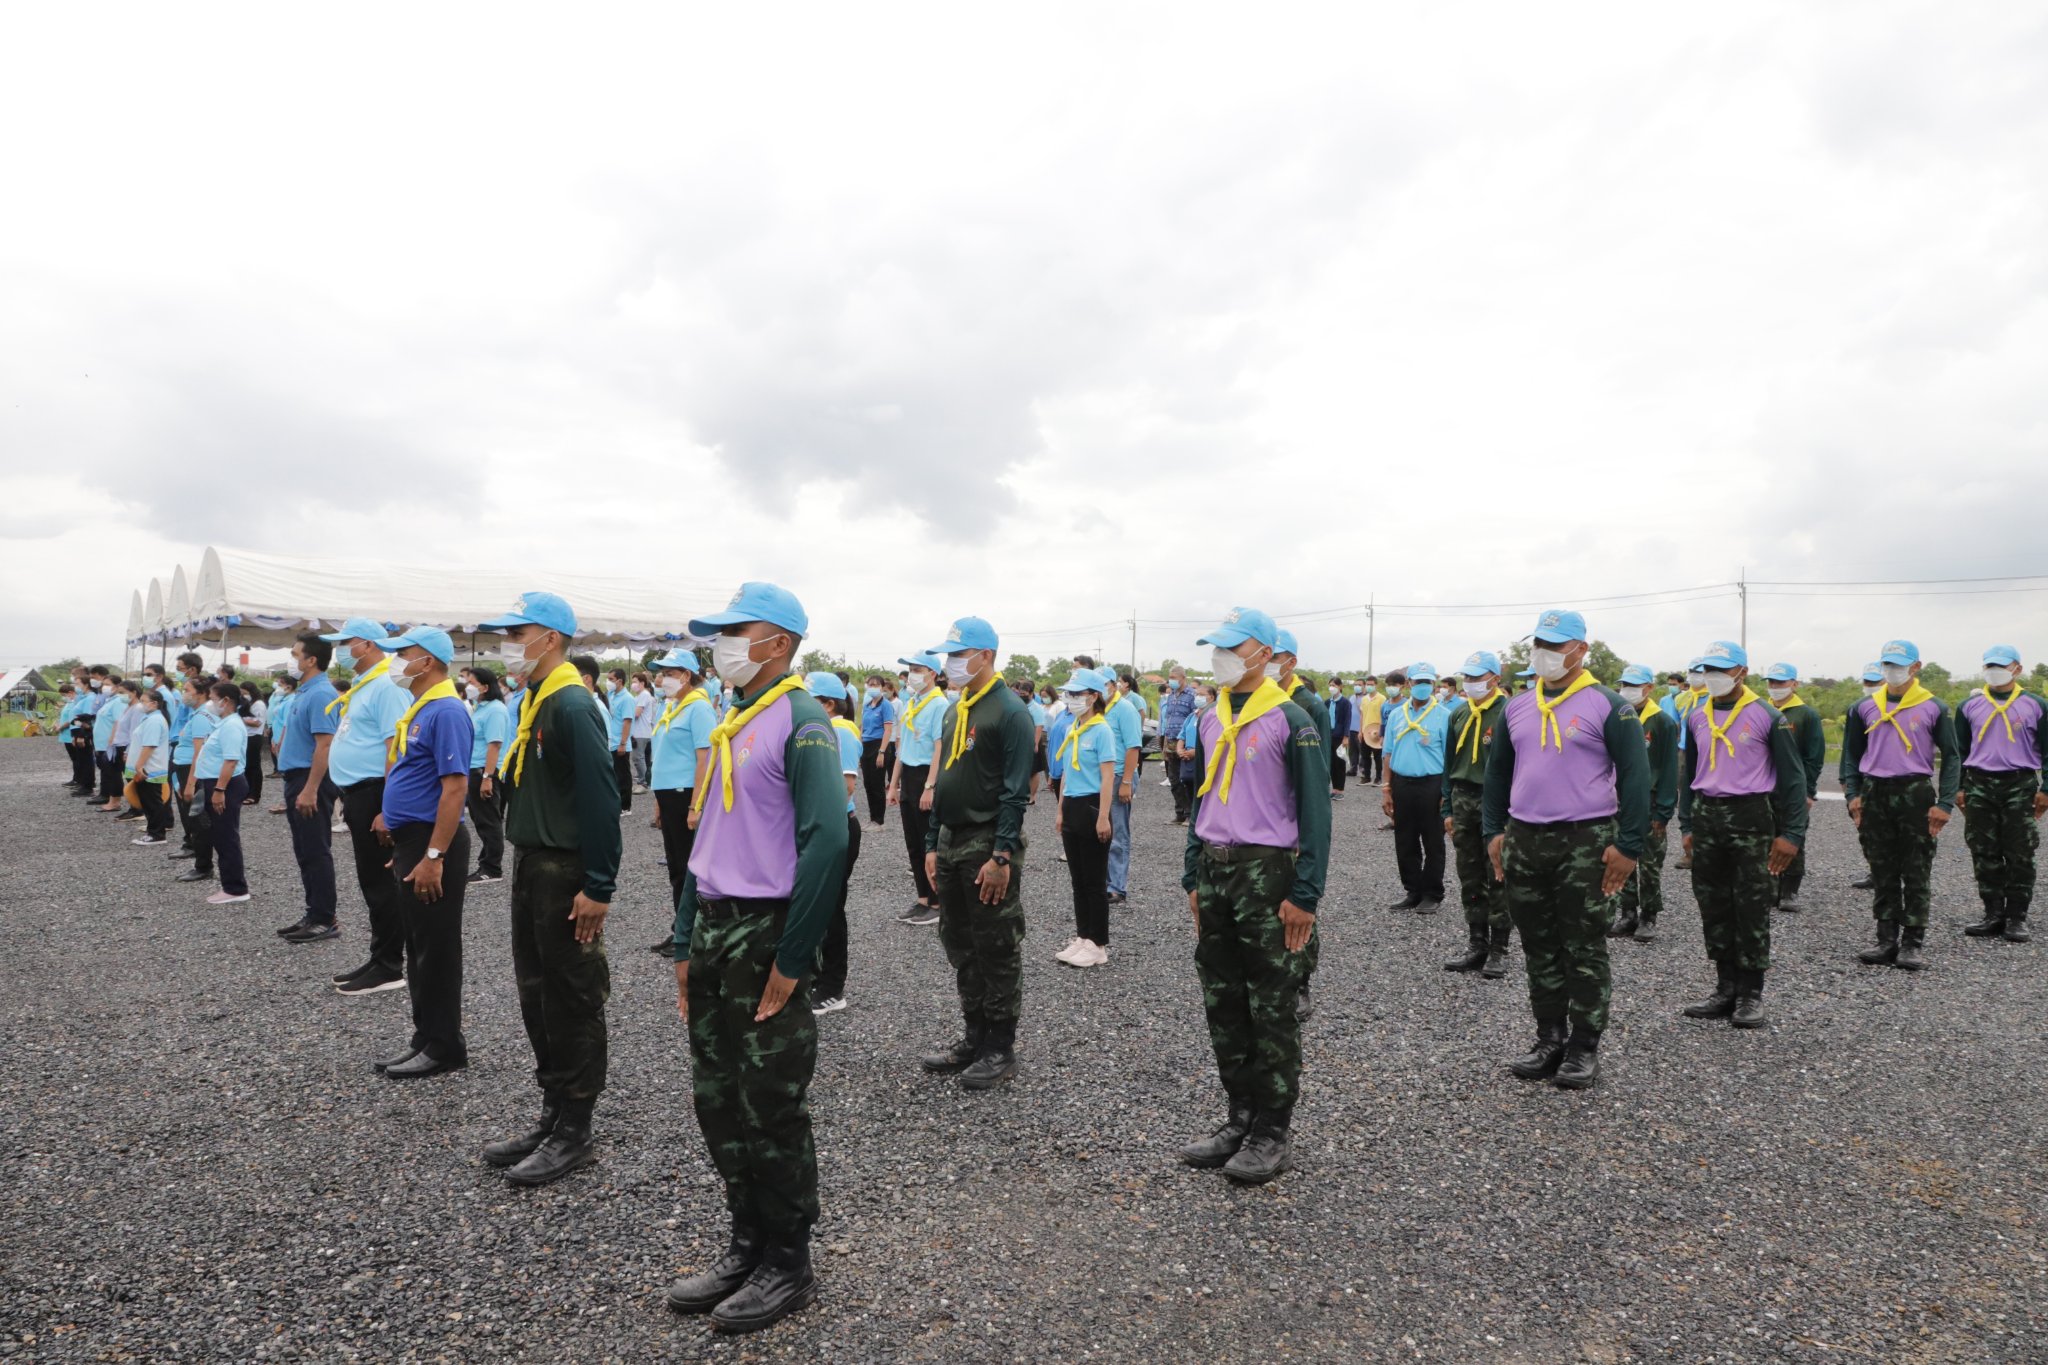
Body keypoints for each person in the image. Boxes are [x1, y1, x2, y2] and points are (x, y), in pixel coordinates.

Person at [665, 583, 845, 1333]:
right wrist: (682, 936)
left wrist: (794, 957)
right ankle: (747, 1240)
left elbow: (829, 841)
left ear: (776, 641)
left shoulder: (803, 722)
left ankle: (789, 1260)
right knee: (719, 1097)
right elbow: (707, 840)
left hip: (763, 932)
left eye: (734, 632)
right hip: (714, 927)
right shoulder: (736, 718)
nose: (721, 646)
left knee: (770, 1103)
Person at [1177, 607, 1329, 1184]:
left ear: (1263, 654)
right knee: (1223, 999)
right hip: (1217, 871)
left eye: (1230, 648)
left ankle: (1272, 1129)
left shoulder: (1292, 719)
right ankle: (1238, 1116)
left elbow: (1316, 815)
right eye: (1215, 647)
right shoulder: (1209, 716)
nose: (1218, 658)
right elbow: (1203, 800)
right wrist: (1193, 875)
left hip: (1268, 873)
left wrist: (1306, 893)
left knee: (1271, 1005)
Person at [476, 592, 621, 1187]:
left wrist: (599, 885)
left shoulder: (571, 704)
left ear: (553, 639)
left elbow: (601, 798)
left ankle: (576, 1130)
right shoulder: (535, 699)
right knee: (536, 994)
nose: (511, 644)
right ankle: (552, 1111)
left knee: (572, 998)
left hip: (565, 872)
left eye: (521, 633)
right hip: (532, 863)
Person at [1482, 609, 1650, 1091]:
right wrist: (1494, 831)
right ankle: (1548, 1038)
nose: (1545, 653)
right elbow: (1498, 774)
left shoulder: (1608, 705)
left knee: (1583, 945)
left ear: (1581, 649)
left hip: (1585, 839)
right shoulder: (1516, 706)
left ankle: (1583, 1046)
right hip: (1525, 839)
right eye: (1539, 643)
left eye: (1556, 645)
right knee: (1538, 944)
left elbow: (1637, 777)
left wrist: (1629, 844)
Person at [919, 616, 1035, 1091]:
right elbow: (943, 777)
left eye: (958, 654)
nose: (950, 664)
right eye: (947, 655)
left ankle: (999, 1047)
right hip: (950, 838)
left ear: (985, 655)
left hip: (986, 841)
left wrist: (1002, 856)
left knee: (996, 945)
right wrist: (931, 842)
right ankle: (973, 1036)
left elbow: (1014, 793)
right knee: (960, 941)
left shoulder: (1010, 712)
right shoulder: (954, 709)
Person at [355, 627, 475, 1080]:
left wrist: (433, 855)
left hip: (432, 841)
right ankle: (425, 1036)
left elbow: (455, 787)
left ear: (427, 662)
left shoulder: (445, 710)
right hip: (413, 840)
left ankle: (445, 1045)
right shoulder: (422, 706)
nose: (395, 662)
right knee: (419, 945)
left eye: (403, 654)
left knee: (437, 948)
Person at [1673, 643, 1809, 1029]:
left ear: (1742, 672)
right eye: (1707, 669)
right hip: (1708, 815)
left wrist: (1791, 834)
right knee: (1713, 904)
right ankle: (1724, 987)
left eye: (1721, 669)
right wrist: (1687, 826)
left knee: (1750, 905)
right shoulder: (1697, 715)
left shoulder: (1766, 715)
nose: (1713, 675)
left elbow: (1793, 778)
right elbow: (1690, 776)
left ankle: (1751, 993)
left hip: (1750, 814)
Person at [1841, 639, 1960, 971]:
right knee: (1882, 868)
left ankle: (1912, 942)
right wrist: (1854, 794)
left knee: (1916, 868)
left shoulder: (1934, 706)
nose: (1892, 670)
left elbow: (1952, 757)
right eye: (1887, 664)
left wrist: (1945, 802)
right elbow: (1852, 754)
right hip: (1875, 791)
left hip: (1915, 792)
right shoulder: (1863, 707)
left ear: (1916, 666)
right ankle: (1885, 939)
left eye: (1899, 664)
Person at [319, 618, 415, 989]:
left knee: (381, 883)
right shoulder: (366, 684)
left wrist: (389, 808)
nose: (341, 649)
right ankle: (380, 957)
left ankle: (389, 965)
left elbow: (397, 749)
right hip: (358, 792)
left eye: (348, 642)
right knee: (371, 881)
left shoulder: (387, 686)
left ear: (370, 644)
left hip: (375, 792)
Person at [1955, 645, 2045, 944]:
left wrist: (2046, 788)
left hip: (2019, 784)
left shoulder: (2036, 705)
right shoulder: (1969, 706)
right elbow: (1960, 752)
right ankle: (1992, 914)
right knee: (1984, 850)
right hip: (1979, 783)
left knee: (2020, 851)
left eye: (2001, 665)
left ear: (2017, 668)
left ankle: (2017, 917)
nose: (1995, 670)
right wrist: (1958, 787)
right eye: (1990, 665)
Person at [1441, 652, 1515, 977]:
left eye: (1477, 677)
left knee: (1498, 874)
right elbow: (1448, 766)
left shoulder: (1509, 714)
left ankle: (1499, 948)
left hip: (1495, 803)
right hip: (1462, 800)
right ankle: (1477, 942)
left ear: (1495, 679)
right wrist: (1447, 808)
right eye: (1467, 678)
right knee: (1469, 873)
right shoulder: (1458, 714)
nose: (1470, 684)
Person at [1606, 664, 1680, 943]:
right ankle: (1627, 914)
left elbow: (1670, 768)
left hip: (1649, 800)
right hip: (1618, 800)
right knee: (1621, 855)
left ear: (1649, 688)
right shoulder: (1616, 716)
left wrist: (1664, 809)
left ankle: (1649, 915)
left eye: (1634, 686)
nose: (1628, 691)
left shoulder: (1661, 722)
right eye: (1624, 684)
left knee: (1649, 863)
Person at [647, 648, 715, 953]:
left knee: (689, 869)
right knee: (676, 867)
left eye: (670, 673)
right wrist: (658, 802)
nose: (663, 679)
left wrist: (695, 805)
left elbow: (705, 758)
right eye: (662, 673)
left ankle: (692, 934)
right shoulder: (673, 706)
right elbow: (663, 756)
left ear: (687, 676)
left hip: (685, 794)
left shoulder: (698, 708)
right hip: (669, 794)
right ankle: (681, 928)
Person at [276, 633, 343, 941]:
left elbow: (325, 745)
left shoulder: (320, 694)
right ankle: (313, 911)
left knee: (316, 850)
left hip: (309, 779)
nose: (292, 659)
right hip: (298, 777)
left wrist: (311, 789)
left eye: (295, 653)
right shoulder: (305, 691)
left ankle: (324, 917)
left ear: (311, 659)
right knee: (304, 849)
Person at [806, 671, 865, 1015]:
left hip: (836, 826)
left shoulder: (840, 731)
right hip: (823, 826)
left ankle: (832, 987)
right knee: (816, 905)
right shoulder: (823, 729)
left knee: (830, 907)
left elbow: (845, 787)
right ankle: (816, 975)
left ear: (827, 704)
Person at [1052, 669, 1118, 967]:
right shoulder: (1072, 728)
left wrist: (1103, 817)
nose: (1071, 699)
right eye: (1069, 694)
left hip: (1093, 806)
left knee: (1094, 881)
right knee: (1077, 880)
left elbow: (1107, 778)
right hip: (1073, 806)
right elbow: (1067, 772)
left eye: (1077, 694)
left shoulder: (1101, 730)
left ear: (1093, 697)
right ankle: (1083, 936)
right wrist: (1060, 809)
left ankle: (1098, 944)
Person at [1382, 663, 1451, 911]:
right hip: (1402, 784)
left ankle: (1432, 893)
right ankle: (1413, 891)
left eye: (1427, 682)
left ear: (1433, 684)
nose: (1422, 687)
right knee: (1405, 839)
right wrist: (1386, 787)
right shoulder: (1398, 715)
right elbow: (1388, 753)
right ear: (1408, 683)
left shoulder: (1444, 715)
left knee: (1433, 841)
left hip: (1432, 785)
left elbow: (1450, 758)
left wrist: (1447, 792)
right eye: (1418, 682)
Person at [887, 653, 948, 925]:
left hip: (925, 776)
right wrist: (893, 784)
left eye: (918, 669)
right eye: (910, 670)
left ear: (933, 673)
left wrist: (930, 786)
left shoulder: (939, 705)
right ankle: (922, 898)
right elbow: (903, 748)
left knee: (928, 843)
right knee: (913, 842)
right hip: (908, 776)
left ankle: (938, 903)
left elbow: (939, 747)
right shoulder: (913, 702)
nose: (913, 674)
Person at [1761, 663, 1826, 912]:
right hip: (1763, 787)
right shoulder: (1762, 710)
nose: (1776, 687)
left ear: (1794, 684)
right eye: (1772, 683)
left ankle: (1789, 891)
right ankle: (1770, 887)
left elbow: (1814, 756)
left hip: (1793, 788)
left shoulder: (1805, 714)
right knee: (1765, 836)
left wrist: (1808, 791)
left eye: (1781, 682)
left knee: (1792, 835)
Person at [192, 680, 252, 905]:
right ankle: (231, 884)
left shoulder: (232, 726)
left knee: (226, 836)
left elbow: (230, 761)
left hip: (225, 785)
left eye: (213, 698)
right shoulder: (225, 723)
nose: (210, 703)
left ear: (226, 701)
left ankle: (235, 888)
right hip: (217, 783)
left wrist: (219, 790)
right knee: (221, 835)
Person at [1103, 663, 1144, 907]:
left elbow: (1133, 747)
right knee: (1102, 830)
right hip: (1102, 776)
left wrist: (1127, 781)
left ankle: (1117, 886)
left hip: (1120, 775)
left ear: (1112, 685)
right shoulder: (1099, 708)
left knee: (1118, 833)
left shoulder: (1125, 709)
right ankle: (1105, 881)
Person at [466, 666, 511, 886]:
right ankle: (486, 863)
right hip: (474, 769)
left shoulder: (495, 710)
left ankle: (492, 868)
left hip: (483, 771)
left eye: (471, 682)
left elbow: (494, 745)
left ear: (484, 686)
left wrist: (487, 777)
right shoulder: (480, 707)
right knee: (481, 819)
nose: (468, 686)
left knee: (489, 820)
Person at [1848, 662, 1886, 891]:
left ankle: (1891, 873)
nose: (1870, 686)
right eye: (1867, 682)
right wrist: (1848, 782)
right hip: (1864, 777)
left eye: (1875, 682)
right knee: (1866, 829)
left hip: (1886, 778)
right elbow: (1850, 750)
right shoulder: (1859, 708)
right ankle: (1875, 870)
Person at [125, 688, 175, 846]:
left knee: (153, 802)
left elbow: (149, 745)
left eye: (143, 701)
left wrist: (139, 765)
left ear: (154, 703)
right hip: (146, 767)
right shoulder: (150, 718)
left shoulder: (155, 720)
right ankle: (152, 831)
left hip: (149, 768)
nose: (140, 705)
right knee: (148, 801)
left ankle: (156, 834)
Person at [1158, 666, 1197, 823]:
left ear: (1183, 678)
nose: (1171, 680)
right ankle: (1179, 812)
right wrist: (1165, 744)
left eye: (1174, 677)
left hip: (1186, 743)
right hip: (1171, 741)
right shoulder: (1171, 695)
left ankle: (1189, 814)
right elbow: (1168, 720)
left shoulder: (1192, 695)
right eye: (1170, 677)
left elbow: (1196, 719)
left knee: (1186, 779)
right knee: (1173, 779)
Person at [858, 673, 896, 830]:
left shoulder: (886, 705)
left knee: (877, 783)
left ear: (882, 687)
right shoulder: (867, 705)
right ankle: (872, 818)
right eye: (870, 684)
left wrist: (881, 751)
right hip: (866, 745)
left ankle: (879, 821)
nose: (872, 687)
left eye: (876, 685)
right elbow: (863, 727)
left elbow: (888, 730)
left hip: (878, 745)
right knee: (867, 783)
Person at [605, 668, 636, 814]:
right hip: (611, 741)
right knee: (612, 775)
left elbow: (627, 722)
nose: (608, 682)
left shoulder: (627, 698)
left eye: (611, 679)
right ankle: (615, 803)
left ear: (620, 681)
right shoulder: (610, 694)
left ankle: (625, 806)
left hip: (620, 742)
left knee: (623, 775)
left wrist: (623, 743)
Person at [238, 683, 267, 806]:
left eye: (245, 693)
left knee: (253, 766)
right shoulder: (248, 704)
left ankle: (254, 794)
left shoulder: (258, 704)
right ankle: (246, 792)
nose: (244, 695)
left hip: (254, 737)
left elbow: (257, 723)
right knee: (246, 766)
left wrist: (240, 719)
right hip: (245, 736)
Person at [629, 671, 656, 792]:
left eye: (635, 682)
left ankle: (643, 782)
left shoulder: (644, 695)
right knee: (639, 757)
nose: (633, 684)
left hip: (642, 731)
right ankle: (643, 780)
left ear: (642, 683)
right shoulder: (638, 696)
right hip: (638, 731)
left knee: (637, 757)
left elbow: (636, 713)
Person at [1325, 677, 1352, 796]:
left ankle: (1340, 790)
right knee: (1331, 763)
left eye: (1335, 685)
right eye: (1330, 685)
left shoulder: (1345, 702)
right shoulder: (1327, 702)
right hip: (1328, 735)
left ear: (1341, 687)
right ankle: (1334, 789)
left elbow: (1347, 720)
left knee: (1339, 763)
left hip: (1340, 736)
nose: (1332, 687)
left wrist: (1346, 736)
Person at [1358, 677, 1386, 785]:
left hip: (1376, 732)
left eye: (1371, 684)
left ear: (1376, 685)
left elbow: (1384, 716)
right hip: (1366, 731)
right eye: (1367, 684)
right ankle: (1367, 776)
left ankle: (1378, 777)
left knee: (1377, 757)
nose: (1369, 686)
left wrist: (1381, 731)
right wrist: (1360, 731)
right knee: (1365, 756)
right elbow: (1362, 715)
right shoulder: (1364, 699)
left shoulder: (1382, 698)